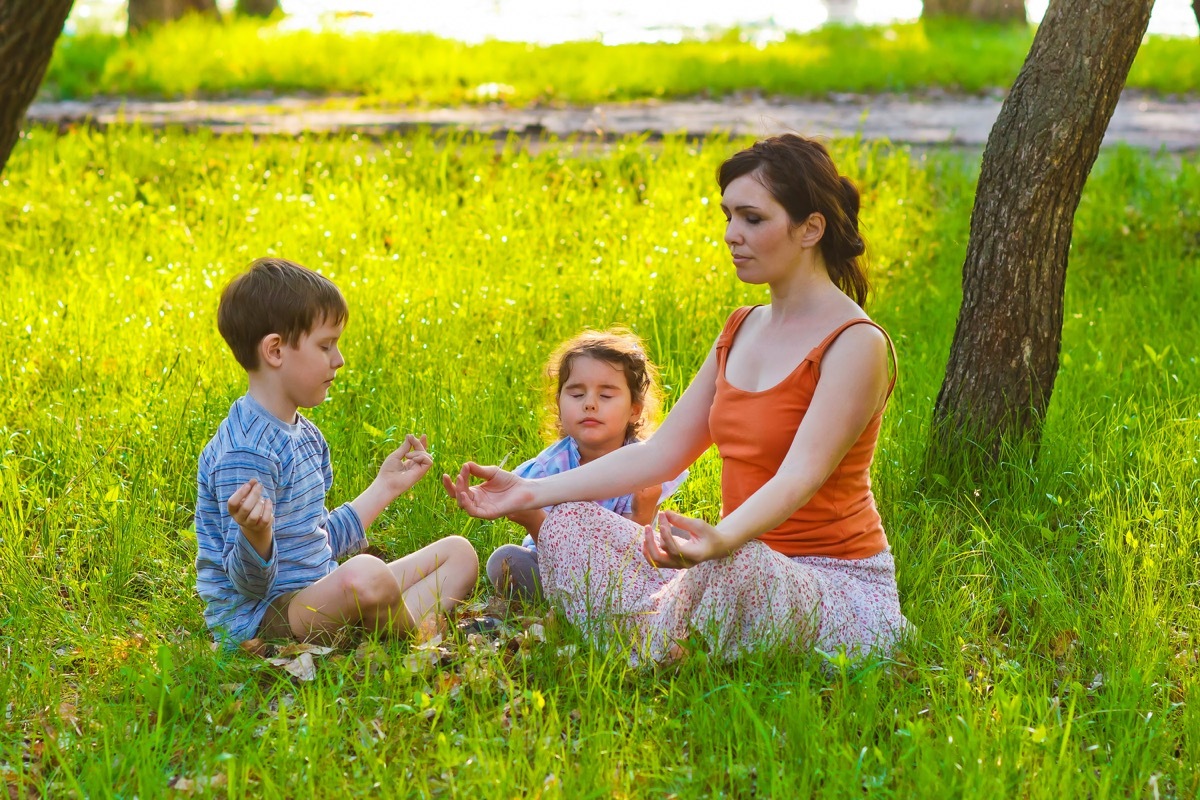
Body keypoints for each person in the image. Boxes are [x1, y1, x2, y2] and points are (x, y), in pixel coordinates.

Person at [445, 134, 907, 664]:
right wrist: (530, 491)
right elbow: (659, 454)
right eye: (728, 216)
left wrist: (720, 540)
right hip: (731, 563)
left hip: (832, 586)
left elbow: (799, 476)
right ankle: (664, 623)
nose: (733, 235)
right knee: (569, 515)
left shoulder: (856, 343)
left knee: (738, 568)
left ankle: (645, 634)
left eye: (753, 219)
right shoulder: (741, 328)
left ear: (811, 228)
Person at [196, 257, 478, 648]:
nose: (339, 359)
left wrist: (385, 487)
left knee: (459, 553)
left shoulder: (305, 435)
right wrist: (256, 535)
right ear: (275, 350)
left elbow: (317, 538)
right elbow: (247, 584)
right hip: (264, 618)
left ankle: (383, 625)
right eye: (325, 345)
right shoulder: (246, 451)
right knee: (365, 574)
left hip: (320, 593)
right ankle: (409, 636)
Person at [486, 328, 688, 600]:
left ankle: (650, 595)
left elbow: (631, 549)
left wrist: (644, 509)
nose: (590, 404)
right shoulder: (549, 468)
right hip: (562, 568)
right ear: (559, 404)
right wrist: (533, 518)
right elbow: (551, 550)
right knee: (506, 560)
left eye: (606, 396)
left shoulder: (644, 464)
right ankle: (573, 600)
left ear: (634, 410)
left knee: (681, 533)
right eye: (577, 394)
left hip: (628, 561)